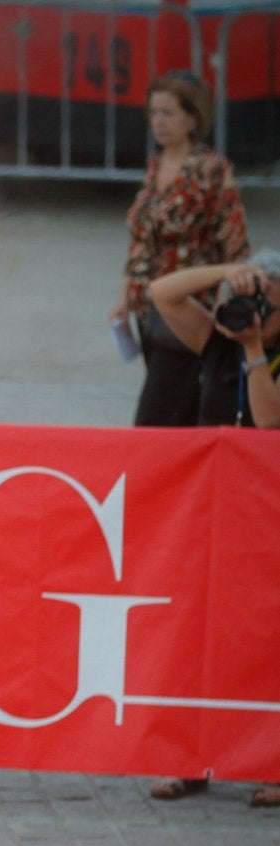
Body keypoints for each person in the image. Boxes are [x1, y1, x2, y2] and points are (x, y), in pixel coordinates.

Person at [146, 253, 280, 808]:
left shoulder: (252, 349)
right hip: (215, 511)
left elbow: (270, 421)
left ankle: (270, 763)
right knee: (193, 633)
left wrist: (254, 351)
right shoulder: (216, 340)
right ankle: (187, 757)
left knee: (265, 638)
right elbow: (162, 293)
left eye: (262, 298)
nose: (247, 307)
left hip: (269, 516)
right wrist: (229, 271)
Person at [113, 71, 248, 428]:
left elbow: (233, 240)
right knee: (179, 409)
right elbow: (140, 239)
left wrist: (227, 300)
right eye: (154, 112)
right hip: (147, 307)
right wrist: (123, 297)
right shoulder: (157, 164)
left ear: (193, 117)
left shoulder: (211, 168)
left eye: (168, 113)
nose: (158, 122)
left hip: (188, 306)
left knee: (156, 417)